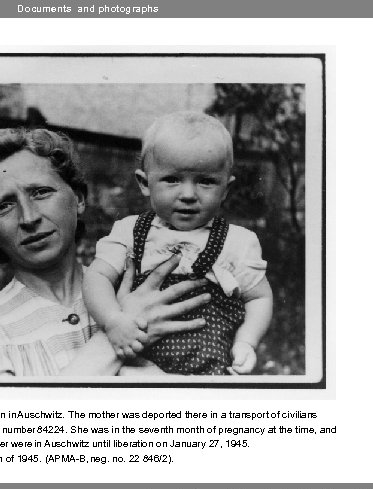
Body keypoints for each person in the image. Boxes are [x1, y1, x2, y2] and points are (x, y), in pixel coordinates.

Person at [0, 126, 213, 378]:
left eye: (41, 192)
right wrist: (122, 328)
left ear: (79, 199)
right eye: (4, 206)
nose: (29, 217)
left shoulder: (141, 292)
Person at [83, 111, 273, 375]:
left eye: (206, 181)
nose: (188, 194)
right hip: (133, 366)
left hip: (204, 373)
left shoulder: (236, 242)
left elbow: (259, 297)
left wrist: (246, 342)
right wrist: (113, 320)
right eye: (172, 179)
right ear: (144, 182)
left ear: (225, 190)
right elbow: (97, 277)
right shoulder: (130, 232)